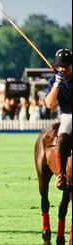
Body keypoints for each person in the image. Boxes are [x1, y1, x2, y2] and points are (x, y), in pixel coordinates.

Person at [44, 48, 72, 190]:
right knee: (61, 139)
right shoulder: (54, 80)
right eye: (60, 66)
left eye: (66, 66)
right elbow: (49, 104)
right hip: (68, 115)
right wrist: (56, 85)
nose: (63, 69)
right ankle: (61, 175)